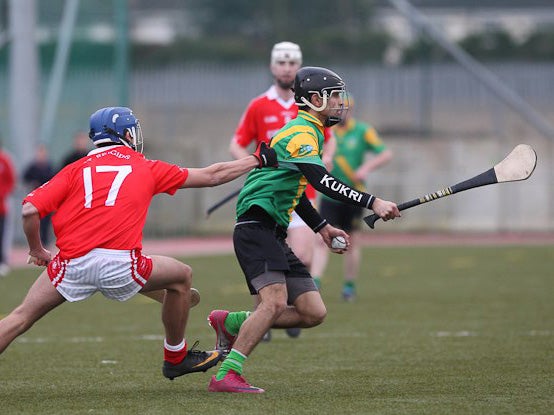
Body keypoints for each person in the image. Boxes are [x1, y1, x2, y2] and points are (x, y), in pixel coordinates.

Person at [0, 106, 278, 381]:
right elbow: (212, 175)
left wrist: (37, 249)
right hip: (121, 265)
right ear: (124, 134)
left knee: (21, 317)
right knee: (181, 277)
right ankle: (175, 358)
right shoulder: (145, 167)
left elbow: (29, 211)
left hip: (71, 265)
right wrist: (256, 159)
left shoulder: (74, 169)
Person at [207, 67, 400, 393]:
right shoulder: (300, 133)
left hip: (273, 230)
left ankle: (230, 322)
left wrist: (322, 227)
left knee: (313, 312)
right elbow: (319, 181)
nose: (341, 103)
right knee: (274, 303)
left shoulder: (313, 132)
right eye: (334, 96)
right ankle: (227, 373)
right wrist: (373, 201)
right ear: (314, 100)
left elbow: (293, 191)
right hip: (256, 226)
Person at [229, 41, 333, 340]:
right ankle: (262, 317)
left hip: (302, 193)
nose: (287, 68)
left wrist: (323, 160)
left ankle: (279, 311)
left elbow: (328, 140)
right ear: (273, 67)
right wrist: (254, 167)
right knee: (267, 258)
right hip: (271, 193)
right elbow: (237, 143)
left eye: (292, 63)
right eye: (281, 63)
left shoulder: (312, 105)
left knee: (303, 255)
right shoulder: (259, 104)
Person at [311, 94, 393, 301]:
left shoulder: (363, 131)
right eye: (338, 108)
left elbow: (385, 154)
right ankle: (315, 282)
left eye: (345, 109)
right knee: (321, 239)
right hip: (329, 195)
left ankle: (349, 286)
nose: (341, 112)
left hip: (354, 195)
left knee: (352, 241)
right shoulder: (325, 131)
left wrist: (365, 168)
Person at [23, 144, 56, 246]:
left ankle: (45, 243)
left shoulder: (49, 167)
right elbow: (25, 178)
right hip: (35, 200)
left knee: (46, 223)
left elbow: (55, 180)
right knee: (34, 221)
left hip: (46, 199)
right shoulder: (32, 167)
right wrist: (33, 183)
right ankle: (35, 243)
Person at [0, 140, 16, 277]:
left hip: (1, 206)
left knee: (2, 234)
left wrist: (3, 193)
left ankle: (2, 261)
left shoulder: (5, 159)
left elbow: (11, 180)